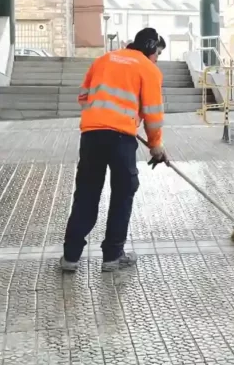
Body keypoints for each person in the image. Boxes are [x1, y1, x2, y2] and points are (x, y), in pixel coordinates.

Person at [61, 27, 167, 272]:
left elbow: (84, 96)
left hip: (91, 135)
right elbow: (153, 113)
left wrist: (103, 116)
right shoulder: (148, 69)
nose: (156, 59)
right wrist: (155, 145)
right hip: (120, 140)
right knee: (123, 193)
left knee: (86, 193)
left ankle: (70, 257)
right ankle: (112, 256)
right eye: (157, 54)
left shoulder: (103, 60)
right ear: (151, 48)